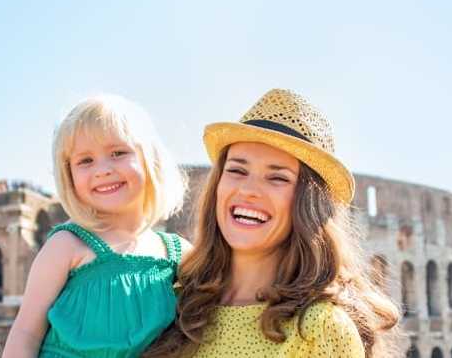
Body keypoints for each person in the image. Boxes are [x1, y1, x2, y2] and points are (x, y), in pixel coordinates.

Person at [145, 89, 401, 357]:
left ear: (308, 204)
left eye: (277, 178)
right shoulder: (176, 304)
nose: (248, 189)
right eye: (236, 170)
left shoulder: (320, 329)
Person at [3, 94, 190, 357]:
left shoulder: (179, 253)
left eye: (117, 153)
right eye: (85, 160)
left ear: (151, 160)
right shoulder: (67, 245)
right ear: (69, 174)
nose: (102, 169)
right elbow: (26, 332)